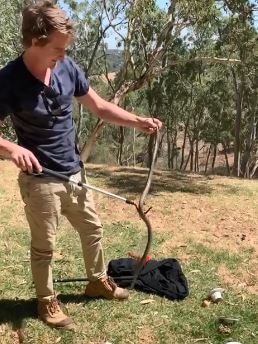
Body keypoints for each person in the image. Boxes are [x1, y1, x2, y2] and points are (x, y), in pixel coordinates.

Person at [0, 0, 162, 330]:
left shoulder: (67, 67)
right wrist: (10, 147)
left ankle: (97, 281)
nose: (62, 54)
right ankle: (46, 301)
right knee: (44, 246)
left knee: (93, 230)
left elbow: (100, 107)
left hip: (75, 172)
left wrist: (137, 120)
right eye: (57, 48)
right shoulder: (9, 80)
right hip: (40, 180)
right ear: (35, 42)